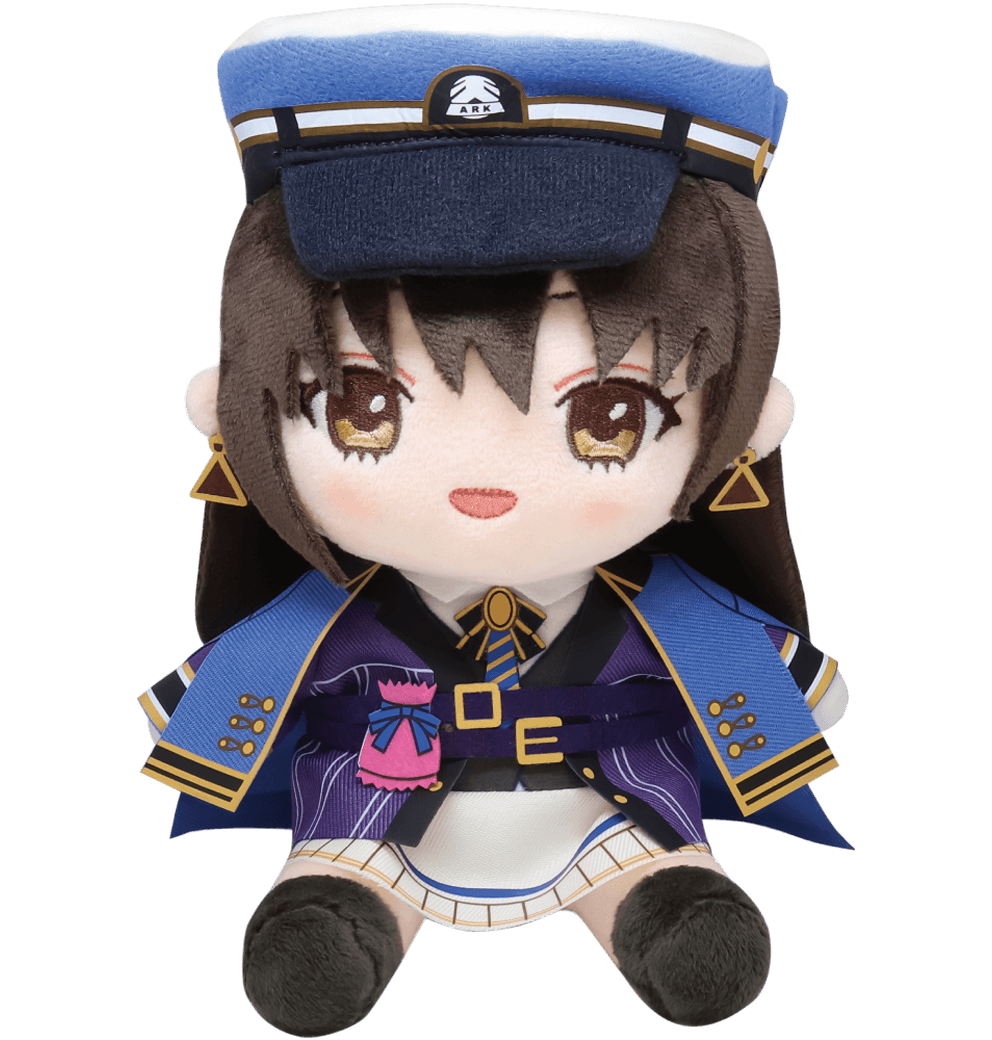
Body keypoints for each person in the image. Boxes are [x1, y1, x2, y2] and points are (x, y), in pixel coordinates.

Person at [139, 8, 850, 1035]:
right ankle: (339, 903)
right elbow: (232, 685)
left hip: (611, 805)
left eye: (607, 417)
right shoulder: (323, 620)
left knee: (662, 885)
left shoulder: (669, 615)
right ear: (226, 411)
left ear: (748, 423)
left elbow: (766, 674)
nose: (483, 477)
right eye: (365, 409)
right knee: (335, 898)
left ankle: (661, 900)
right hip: (376, 807)